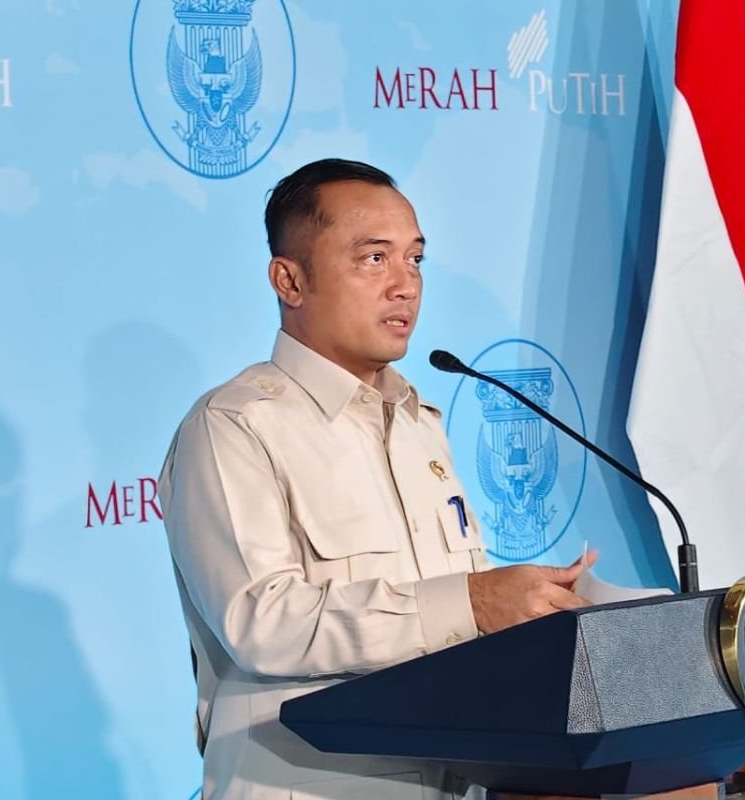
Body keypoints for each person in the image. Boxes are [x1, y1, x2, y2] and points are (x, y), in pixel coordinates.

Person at [158, 158, 596, 800]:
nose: (405, 285)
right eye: (374, 258)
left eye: (415, 259)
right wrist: (474, 602)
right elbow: (262, 623)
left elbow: (448, 617)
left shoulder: (420, 421)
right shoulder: (234, 426)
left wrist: (532, 611)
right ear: (289, 280)